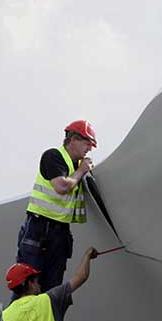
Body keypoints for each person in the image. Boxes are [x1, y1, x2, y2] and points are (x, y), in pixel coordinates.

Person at [15, 120, 97, 295]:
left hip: (59, 233)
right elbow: (62, 187)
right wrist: (82, 170)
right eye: (87, 143)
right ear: (73, 139)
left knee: (52, 291)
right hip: (39, 228)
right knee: (27, 286)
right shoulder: (53, 156)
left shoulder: (75, 166)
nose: (89, 149)